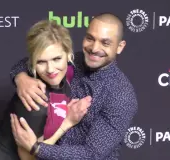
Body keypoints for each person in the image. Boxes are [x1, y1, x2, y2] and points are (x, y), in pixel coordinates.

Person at [9, 13, 138, 160]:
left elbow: (91, 154)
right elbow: (32, 60)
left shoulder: (121, 95)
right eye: (90, 38)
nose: (94, 48)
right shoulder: (74, 61)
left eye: (105, 43)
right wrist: (20, 77)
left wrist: (37, 148)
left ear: (119, 47)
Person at [0, 20, 91, 160]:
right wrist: (67, 122)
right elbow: (29, 158)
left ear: (68, 54)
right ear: (32, 62)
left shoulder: (71, 74)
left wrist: (19, 76)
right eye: (41, 62)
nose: (50, 69)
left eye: (57, 59)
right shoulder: (34, 100)